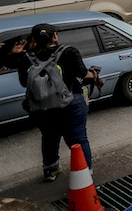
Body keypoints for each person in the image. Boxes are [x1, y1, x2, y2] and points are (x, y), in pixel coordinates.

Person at [12, 23, 98, 182]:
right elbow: (83, 74)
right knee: (78, 138)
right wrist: (93, 75)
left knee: (49, 137)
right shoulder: (69, 51)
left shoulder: (26, 58)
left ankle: (51, 170)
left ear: (34, 39)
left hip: (41, 105)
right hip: (71, 101)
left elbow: (25, 83)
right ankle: (85, 174)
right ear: (55, 36)